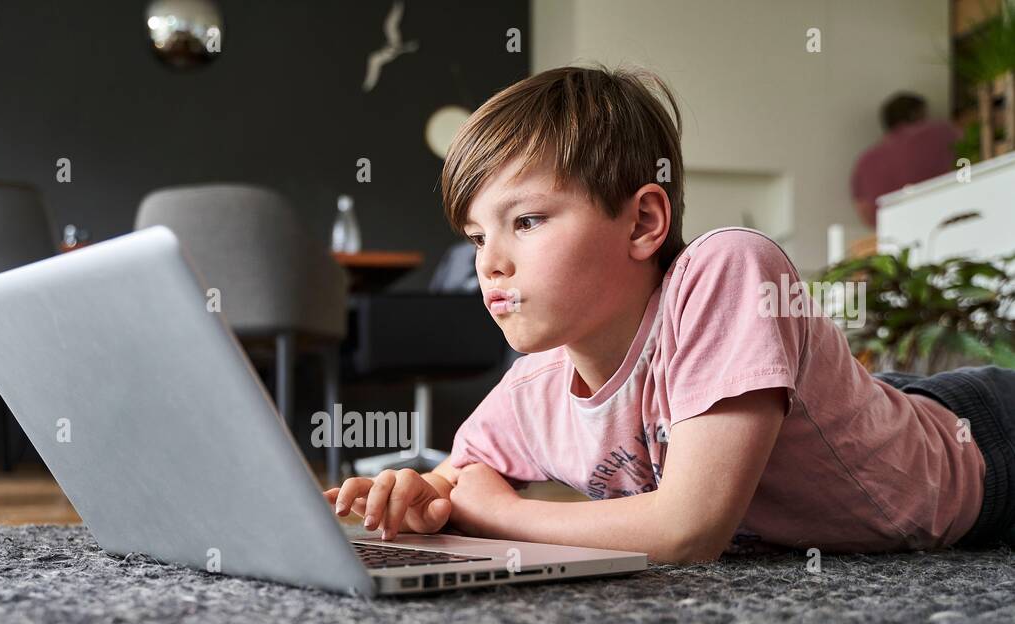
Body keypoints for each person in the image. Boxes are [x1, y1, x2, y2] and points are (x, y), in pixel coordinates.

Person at [323, 66, 1015, 563]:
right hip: (881, 413)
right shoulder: (535, 384)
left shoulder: (727, 270)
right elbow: (458, 484)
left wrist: (500, 514)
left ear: (644, 221)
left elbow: (689, 532)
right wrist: (415, 499)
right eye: (477, 237)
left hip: (983, 446)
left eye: (527, 220)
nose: (489, 263)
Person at [851, 92, 961, 228]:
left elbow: (865, 212)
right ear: (916, 114)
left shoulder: (865, 161)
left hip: (894, 233)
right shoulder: (941, 132)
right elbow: (970, 155)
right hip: (947, 220)